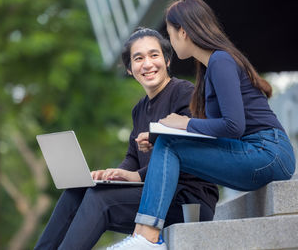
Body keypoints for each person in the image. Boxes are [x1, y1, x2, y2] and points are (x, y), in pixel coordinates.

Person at [108, 0, 296, 250]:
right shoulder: (210, 69)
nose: (171, 43)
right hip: (254, 153)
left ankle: (147, 237)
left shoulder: (221, 60)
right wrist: (168, 135)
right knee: (167, 143)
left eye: (171, 34)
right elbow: (222, 131)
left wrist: (183, 125)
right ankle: (144, 236)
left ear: (183, 32)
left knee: (170, 143)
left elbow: (233, 126)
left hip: (268, 153)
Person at [34, 27, 219, 250]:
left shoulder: (184, 93)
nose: (148, 64)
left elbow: (186, 153)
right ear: (130, 69)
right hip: (152, 196)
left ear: (167, 60)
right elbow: (133, 157)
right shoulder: (139, 109)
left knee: (99, 198)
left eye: (154, 55)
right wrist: (114, 175)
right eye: (138, 58)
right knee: (76, 191)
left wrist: (134, 175)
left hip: (187, 199)